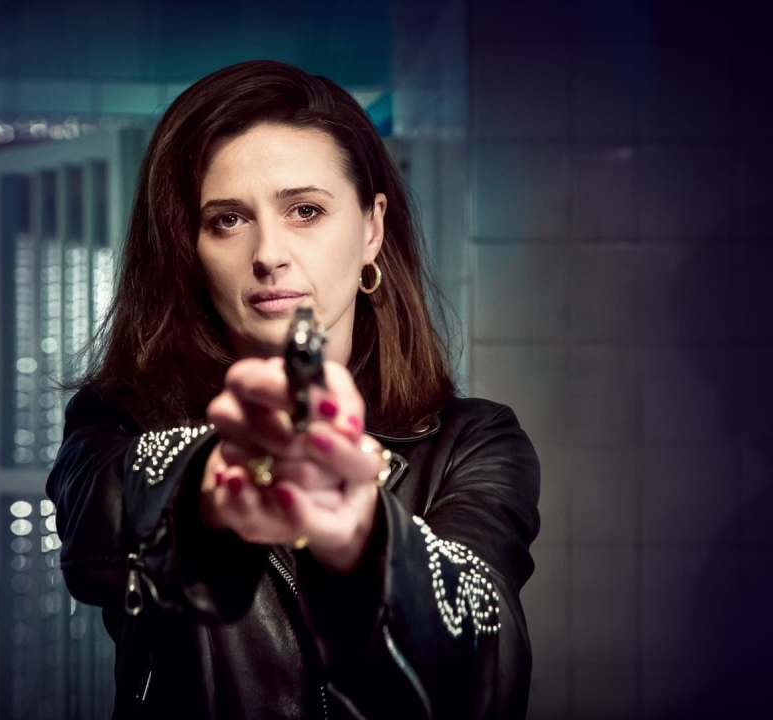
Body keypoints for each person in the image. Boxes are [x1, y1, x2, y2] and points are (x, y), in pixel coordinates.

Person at [45, 59, 541, 719]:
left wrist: (367, 537)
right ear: (190, 249)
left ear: (371, 228)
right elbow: (95, 528)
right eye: (227, 220)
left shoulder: (474, 441)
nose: (268, 253)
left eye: (305, 210)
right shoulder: (118, 416)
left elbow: (488, 654)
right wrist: (216, 475)